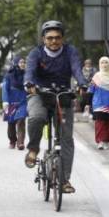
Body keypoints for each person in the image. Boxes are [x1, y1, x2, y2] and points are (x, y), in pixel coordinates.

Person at [23, 20, 87, 194]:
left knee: (66, 137)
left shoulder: (70, 52)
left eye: (57, 38)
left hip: (63, 95)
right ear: (43, 39)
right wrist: (29, 82)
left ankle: (65, 180)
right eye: (49, 38)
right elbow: (29, 71)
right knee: (36, 117)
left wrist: (82, 83)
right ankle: (33, 148)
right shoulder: (36, 53)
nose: (53, 42)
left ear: (62, 39)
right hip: (39, 94)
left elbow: (77, 69)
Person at [2, 55, 28, 150]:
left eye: (24, 62)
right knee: (11, 123)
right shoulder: (9, 75)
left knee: (21, 120)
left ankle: (20, 143)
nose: (23, 64)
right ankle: (12, 140)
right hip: (11, 102)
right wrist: (5, 101)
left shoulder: (27, 74)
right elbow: (5, 88)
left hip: (23, 102)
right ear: (16, 63)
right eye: (21, 62)